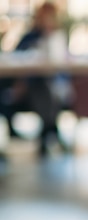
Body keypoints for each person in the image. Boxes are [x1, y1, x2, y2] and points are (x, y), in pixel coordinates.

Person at [0, 2, 70, 156]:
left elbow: (64, 67)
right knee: (42, 88)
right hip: (30, 86)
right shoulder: (30, 37)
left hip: (51, 86)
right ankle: (50, 131)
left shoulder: (58, 37)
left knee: (46, 89)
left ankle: (48, 132)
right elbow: (16, 58)